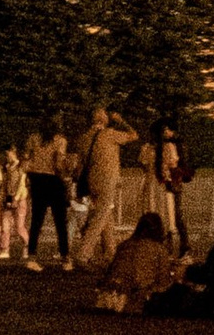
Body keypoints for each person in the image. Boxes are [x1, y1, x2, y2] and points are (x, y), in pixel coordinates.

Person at [72, 109, 135, 271]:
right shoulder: (110, 134)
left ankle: (111, 255)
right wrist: (121, 120)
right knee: (100, 217)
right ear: (104, 119)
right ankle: (83, 254)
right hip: (108, 179)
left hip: (91, 180)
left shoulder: (84, 138)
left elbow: (80, 163)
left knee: (105, 216)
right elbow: (134, 135)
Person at [25, 126, 72, 265]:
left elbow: (26, 158)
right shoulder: (60, 140)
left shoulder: (34, 138)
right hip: (53, 180)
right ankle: (65, 256)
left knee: (36, 221)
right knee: (60, 222)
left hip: (37, 180)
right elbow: (59, 163)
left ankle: (32, 256)